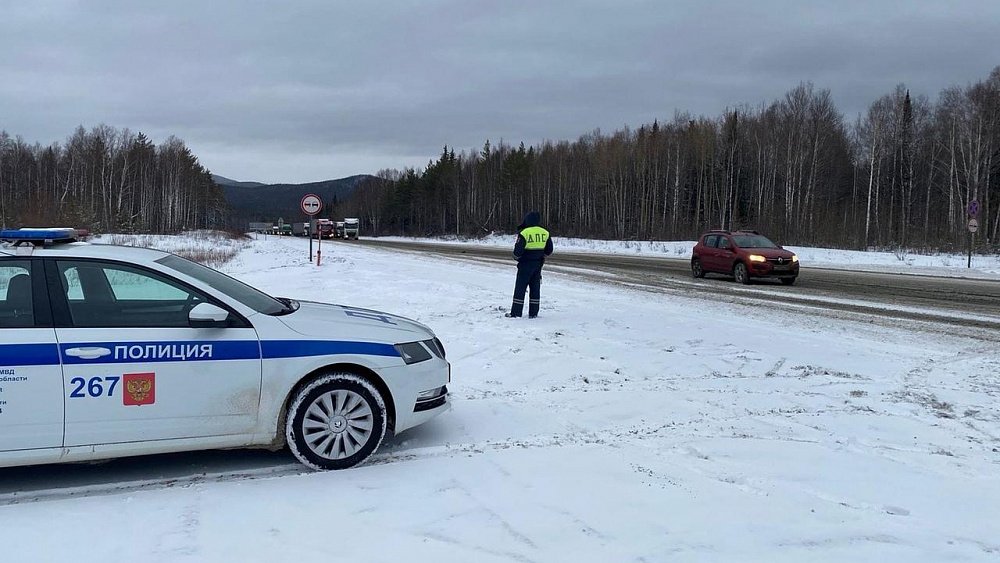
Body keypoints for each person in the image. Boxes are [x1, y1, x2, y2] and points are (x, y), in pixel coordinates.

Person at [506, 211, 554, 318]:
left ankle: (516, 313)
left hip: (525, 264)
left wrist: (517, 257)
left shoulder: (524, 233)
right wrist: (541, 256)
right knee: (535, 288)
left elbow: (517, 252)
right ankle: (533, 313)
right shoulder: (545, 232)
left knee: (520, 288)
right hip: (538, 264)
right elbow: (549, 250)